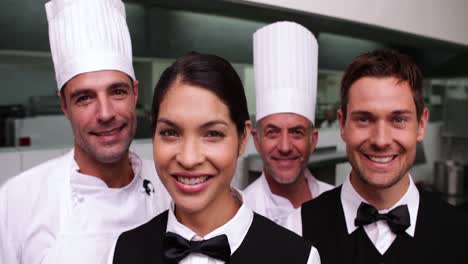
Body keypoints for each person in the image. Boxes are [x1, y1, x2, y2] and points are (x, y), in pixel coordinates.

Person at [0, 0, 170, 263]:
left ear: (135, 93)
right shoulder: (19, 200)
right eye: (84, 98)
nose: (105, 113)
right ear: (64, 105)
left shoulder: (170, 187)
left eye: (117, 91)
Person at [110, 52, 321, 264]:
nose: (189, 159)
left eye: (213, 134)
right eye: (170, 132)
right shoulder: (123, 251)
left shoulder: (298, 258)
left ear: (243, 138)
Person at [300, 49, 468, 263]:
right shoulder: (296, 227)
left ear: (421, 125)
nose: (381, 140)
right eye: (364, 119)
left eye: (398, 120)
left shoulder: (460, 233)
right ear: (342, 124)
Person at [243, 21, 333, 234]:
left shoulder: (338, 203)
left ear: (314, 140)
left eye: (297, 132)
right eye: (272, 132)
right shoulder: (240, 213)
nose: (284, 146)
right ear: (256, 139)